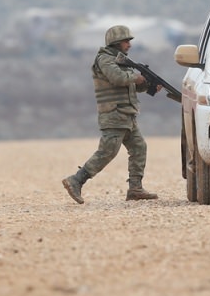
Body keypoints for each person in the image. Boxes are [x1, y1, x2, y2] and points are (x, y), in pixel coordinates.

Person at [62, 25, 160, 204]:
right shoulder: (105, 59)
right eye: (126, 41)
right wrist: (137, 77)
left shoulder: (122, 61)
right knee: (107, 152)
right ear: (116, 42)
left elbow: (131, 85)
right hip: (114, 114)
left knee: (139, 148)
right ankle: (76, 180)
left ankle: (135, 188)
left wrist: (148, 85)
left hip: (127, 115)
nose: (129, 44)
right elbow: (117, 78)